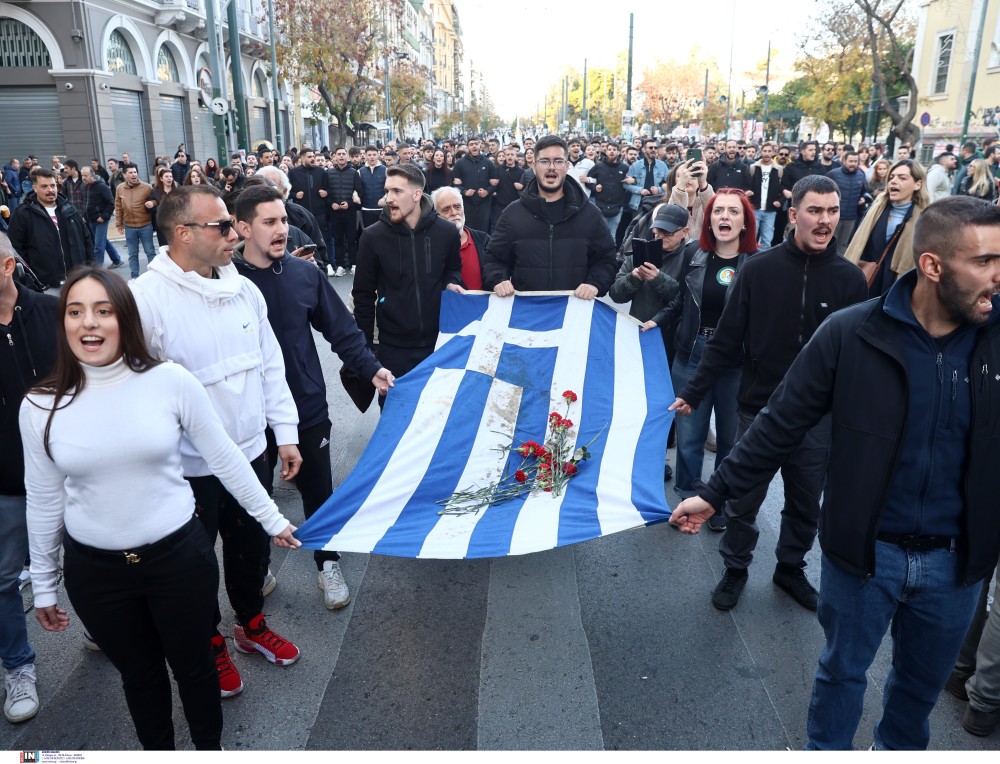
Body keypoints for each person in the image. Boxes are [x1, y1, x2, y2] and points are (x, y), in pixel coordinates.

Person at [670, 196, 1000, 750]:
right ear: (933, 266)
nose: (997, 276)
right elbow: (780, 422)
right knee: (842, 676)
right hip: (866, 560)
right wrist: (715, 491)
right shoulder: (852, 334)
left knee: (916, 697)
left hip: (956, 567)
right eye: (985, 262)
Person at [23, 267, 299, 750]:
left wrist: (271, 518)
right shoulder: (40, 405)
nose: (90, 323)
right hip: (97, 576)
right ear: (63, 322)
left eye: (103, 311)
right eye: (75, 311)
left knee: (194, 670)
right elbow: (44, 498)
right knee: (141, 678)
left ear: (124, 319)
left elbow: (226, 457)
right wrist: (45, 584)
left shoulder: (169, 381)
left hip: (178, 561)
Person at [130, 186, 304, 698]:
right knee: (196, 563)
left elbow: (270, 365)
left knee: (251, 552)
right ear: (183, 234)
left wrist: (285, 435)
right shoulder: (146, 299)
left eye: (232, 224)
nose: (234, 233)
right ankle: (210, 642)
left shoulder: (243, 289)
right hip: (187, 469)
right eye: (222, 226)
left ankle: (250, 626)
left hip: (252, 452)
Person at [669, 175, 868, 612]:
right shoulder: (759, 269)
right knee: (742, 503)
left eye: (833, 211)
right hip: (757, 411)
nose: (825, 221)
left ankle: (789, 568)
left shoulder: (850, 280)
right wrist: (695, 391)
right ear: (794, 214)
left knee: (803, 505)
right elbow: (726, 338)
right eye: (815, 211)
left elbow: (858, 359)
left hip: (817, 421)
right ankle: (735, 568)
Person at [233, 185, 392, 609]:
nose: (282, 229)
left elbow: (342, 332)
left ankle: (328, 561)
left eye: (284, 220)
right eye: (270, 222)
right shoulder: (224, 284)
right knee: (253, 497)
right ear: (242, 227)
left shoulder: (306, 275)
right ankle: (257, 566)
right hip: (247, 415)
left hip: (305, 406)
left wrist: (371, 369)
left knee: (318, 490)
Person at [645, 191, 758, 510]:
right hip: (692, 353)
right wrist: (657, 321)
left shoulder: (758, 262)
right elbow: (681, 299)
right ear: (708, 220)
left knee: (729, 437)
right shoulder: (694, 252)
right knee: (689, 434)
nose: (725, 216)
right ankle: (687, 496)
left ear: (745, 222)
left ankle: (719, 501)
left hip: (735, 363)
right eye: (718, 210)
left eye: (733, 211)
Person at [0, 234, 56, 725]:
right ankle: (18, 665)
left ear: (7, 265)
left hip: (67, 469)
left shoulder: (54, 312)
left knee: (85, 557)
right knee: (2, 577)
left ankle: (100, 625)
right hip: (4, 482)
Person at [353, 163, 463, 402]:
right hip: (393, 349)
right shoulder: (372, 237)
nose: (388, 199)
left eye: (396, 191)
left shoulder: (447, 233)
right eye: (387, 191)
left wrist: (452, 283)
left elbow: (453, 270)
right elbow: (362, 295)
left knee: (437, 416)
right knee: (396, 423)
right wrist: (367, 352)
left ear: (416, 194)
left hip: (439, 345)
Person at [482, 135, 617, 299]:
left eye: (558, 161)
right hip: (526, 313)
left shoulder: (590, 214)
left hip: (574, 313)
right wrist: (498, 279)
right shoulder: (513, 214)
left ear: (567, 166)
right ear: (534, 166)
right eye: (545, 161)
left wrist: (594, 283)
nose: (551, 167)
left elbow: (606, 260)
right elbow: (493, 259)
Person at [844, 159, 929, 298]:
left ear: (917, 184)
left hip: (897, 287)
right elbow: (856, 244)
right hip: (867, 281)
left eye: (902, 178)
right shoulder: (876, 209)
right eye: (891, 177)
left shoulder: (925, 219)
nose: (893, 181)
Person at [8, 168, 93, 290]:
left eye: (53, 186)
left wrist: (90, 271)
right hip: (46, 287)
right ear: (34, 188)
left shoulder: (70, 210)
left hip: (78, 282)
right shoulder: (23, 213)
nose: (50, 190)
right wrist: (32, 280)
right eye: (44, 186)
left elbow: (87, 242)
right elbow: (16, 250)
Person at [432, 186, 490, 291]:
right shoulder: (429, 247)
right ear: (435, 214)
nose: (454, 212)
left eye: (457, 206)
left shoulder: (484, 240)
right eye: (446, 209)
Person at [115, 163, 157, 280]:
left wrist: (152, 203)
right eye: (130, 172)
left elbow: (156, 200)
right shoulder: (120, 188)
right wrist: (119, 224)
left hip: (145, 225)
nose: (134, 174)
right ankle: (134, 278)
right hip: (129, 227)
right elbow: (118, 206)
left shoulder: (147, 187)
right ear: (124, 175)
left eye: (135, 172)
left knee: (150, 252)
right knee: (132, 254)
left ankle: (154, 277)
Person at [326, 147, 364, 276]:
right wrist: (332, 204)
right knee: (338, 240)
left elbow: (360, 192)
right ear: (334, 157)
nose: (341, 156)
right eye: (339, 154)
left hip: (350, 211)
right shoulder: (329, 173)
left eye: (343, 154)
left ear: (347, 157)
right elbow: (326, 193)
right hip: (335, 211)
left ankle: (354, 264)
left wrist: (350, 203)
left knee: (352, 239)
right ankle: (340, 265)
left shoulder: (354, 173)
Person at [826, 149, 869, 257]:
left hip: (851, 217)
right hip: (834, 215)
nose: (853, 164)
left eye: (855, 161)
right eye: (850, 161)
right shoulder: (833, 174)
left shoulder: (861, 175)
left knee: (843, 244)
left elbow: (865, 191)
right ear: (844, 161)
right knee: (830, 242)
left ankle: (840, 266)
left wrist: (863, 198)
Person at [452, 137, 498, 233]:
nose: (474, 146)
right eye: (471, 144)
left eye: (476, 144)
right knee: (467, 231)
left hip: (484, 204)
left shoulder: (488, 163)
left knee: (484, 232)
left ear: (480, 146)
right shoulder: (460, 163)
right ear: (468, 148)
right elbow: (455, 185)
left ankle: (484, 248)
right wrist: (464, 192)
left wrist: (487, 192)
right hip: (466, 204)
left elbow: (495, 183)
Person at [80, 166, 123, 268]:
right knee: (103, 241)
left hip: (101, 220)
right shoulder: (84, 186)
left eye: (86, 175)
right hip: (90, 219)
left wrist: (104, 216)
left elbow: (111, 203)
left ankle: (97, 269)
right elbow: (85, 203)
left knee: (98, 245)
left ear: (92, 175)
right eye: (82, 175)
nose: (83, 178)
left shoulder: (101, 186)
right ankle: (117, 260)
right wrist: (84, 216)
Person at [588, 142, 630, 235]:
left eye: (614, 150)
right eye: (609, 149)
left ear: (618, 152)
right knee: (600, 234)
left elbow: (631, 183)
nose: (612, 152)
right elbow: (588, 180)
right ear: (606, 152)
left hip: (617, 206)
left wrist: (632, 180)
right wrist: (594, 187)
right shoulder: (598, 166)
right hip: (600, 205)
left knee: (612, 235)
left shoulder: (624, 168)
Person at [749, 142, 783, 248]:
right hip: (755, 208)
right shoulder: (753, 167)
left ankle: (763, 262)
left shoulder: (779, 169)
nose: (767, 154)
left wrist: (780, 201)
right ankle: (749, 260)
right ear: (761, 152)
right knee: (751, 238)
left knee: (767, 240)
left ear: (773, 152)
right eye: (764, 151)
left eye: (769, 151)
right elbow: (747, 185)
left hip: (770, 210)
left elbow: (783, 188)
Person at [625, 138, 668, 214]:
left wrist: (659, 190)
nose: (653, 150)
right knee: (637, 226)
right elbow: (625, 184)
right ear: (644, 150)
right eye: (650, 148)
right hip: (638, 205)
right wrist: (640, 190)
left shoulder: (662, 165)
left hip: (656, 204)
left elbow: (669, 184)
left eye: (655, 148)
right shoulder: (635, 165)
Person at [149, 167, 176, 250]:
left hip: (175, 225)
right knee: (165, 250)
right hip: (161, 226)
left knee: (177, 249)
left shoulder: (177, 191)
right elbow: (151, 209)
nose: (169, 179)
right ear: (161, 178)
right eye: (167, 177)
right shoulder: (155, 191)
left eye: (171, 177)